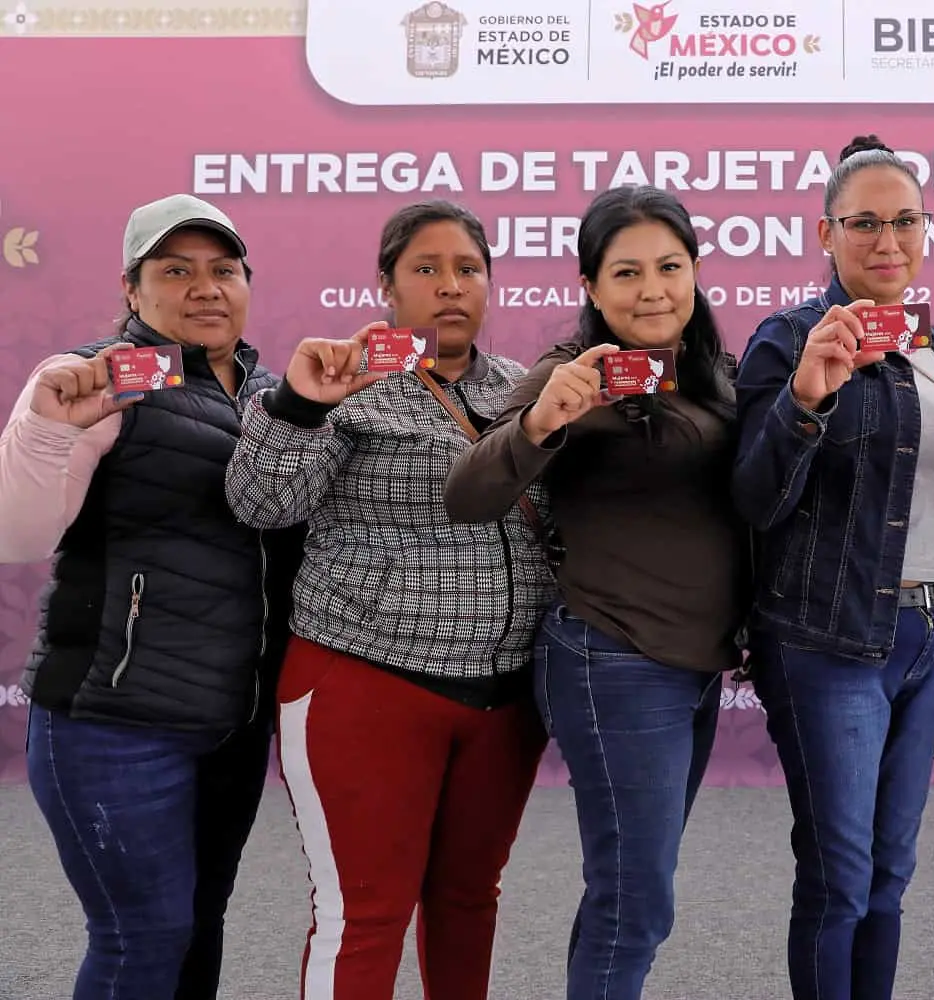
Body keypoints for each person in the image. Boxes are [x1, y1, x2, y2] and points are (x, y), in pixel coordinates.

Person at [224, 200, 552, 1000]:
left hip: (504, 699)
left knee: (470, 903)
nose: (450, 286)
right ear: (385, 285)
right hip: (365, 682)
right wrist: (301, 405)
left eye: (468, 269)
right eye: (426, 269)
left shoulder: (524, 386)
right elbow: (261, 503)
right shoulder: (350, 381)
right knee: (365, 915)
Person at [443, 183, 747, 1000]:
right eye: (626, 273)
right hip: (613, 662)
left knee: (629, 893)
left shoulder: (713, 372)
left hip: (693, 665)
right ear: (589, 288)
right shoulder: (567, 376)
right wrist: (540, 424)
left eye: (670, 266)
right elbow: (467, 495)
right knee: (637, 900)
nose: (652, 289)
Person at [0, 193, 303, 999]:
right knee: (142, 939)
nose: (205, 287)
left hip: (231, 726)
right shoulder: (88, 381)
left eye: (223, 270)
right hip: (114, 721)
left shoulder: (274, 396)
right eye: (176, 271)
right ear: (133, 290)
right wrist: (45, 426)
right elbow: (17, 537)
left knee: (198, 930)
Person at [733, 134, 934, 1000]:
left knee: (889, 871)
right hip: (827, 636)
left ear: (927, 230)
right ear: (824, 233)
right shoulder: (790, 337)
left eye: (905, 221)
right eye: (865, 222)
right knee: (839, 877)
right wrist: (806, 400)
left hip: (924, 637)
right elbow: (754, 498)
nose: (888, 241)